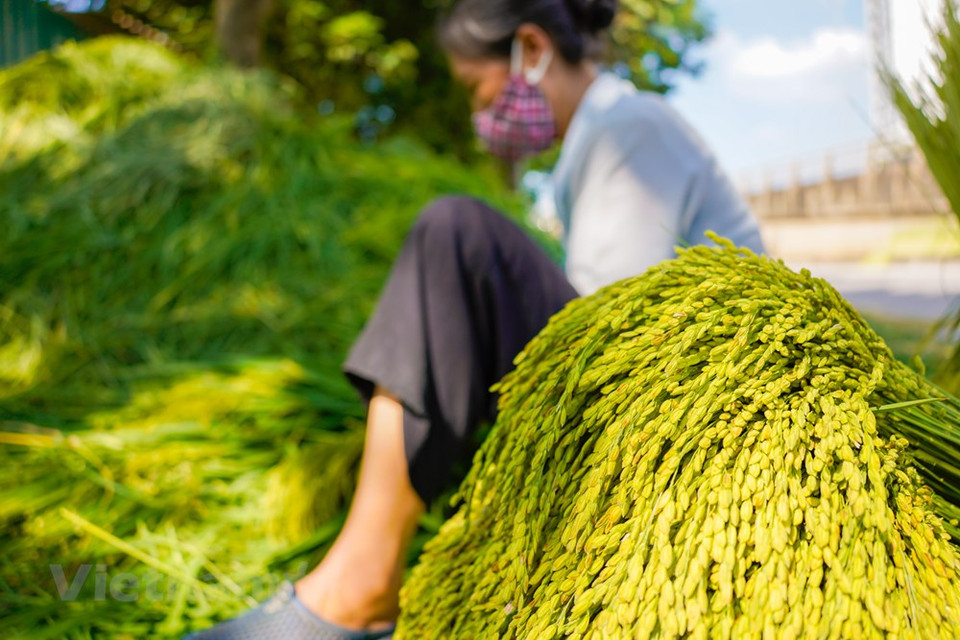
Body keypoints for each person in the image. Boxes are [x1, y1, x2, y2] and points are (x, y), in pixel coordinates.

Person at [187, 0, 765, 638]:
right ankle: (363, 571)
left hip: (692, 406)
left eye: (475, 87)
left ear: (531, 50)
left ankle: (360, 585)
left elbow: (620, 327)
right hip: (655, 387)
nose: (476, 112)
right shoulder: (598, 139)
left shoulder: (630, 128)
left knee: (455, 232)